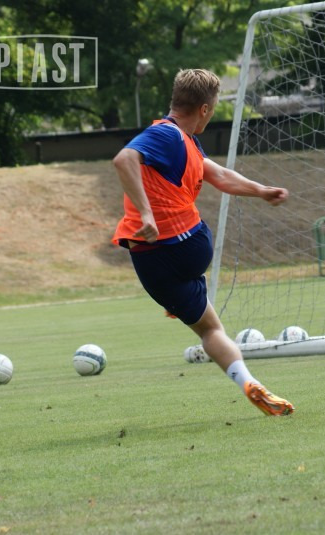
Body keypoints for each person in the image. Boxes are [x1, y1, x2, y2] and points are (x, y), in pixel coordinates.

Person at [111, 68, 294, 415]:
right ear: (205, 109)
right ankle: (248, 381)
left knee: (208, 330)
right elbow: (124, 159)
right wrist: (147, 213)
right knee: (212, 329)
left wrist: (260, 190)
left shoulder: (182, 140)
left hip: (151, 263)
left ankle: (247, 381)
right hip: (187, 245)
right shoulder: (168, 135)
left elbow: (220, 175)